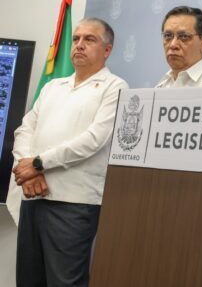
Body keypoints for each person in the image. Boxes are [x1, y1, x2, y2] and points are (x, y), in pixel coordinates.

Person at [11, 18, 128, 287]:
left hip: (73, 205)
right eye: (76, 39)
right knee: (28, 280)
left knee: (64, 282)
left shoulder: (115, 87)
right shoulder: (53, 87)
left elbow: (94, 140)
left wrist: (38, 163)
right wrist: (26, 171)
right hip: (32, 196)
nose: (79, 45)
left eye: (89, 39)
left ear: (107, 50)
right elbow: (24, 130)